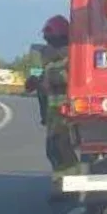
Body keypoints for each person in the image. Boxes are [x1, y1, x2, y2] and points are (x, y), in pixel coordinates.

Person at [36, 15, 79, 202]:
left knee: (63, 148)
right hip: (53, 114)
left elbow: (66, 81)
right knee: (53, 150)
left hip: (66, 113)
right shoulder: (51, 60)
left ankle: (71, 185)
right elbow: (45, 88)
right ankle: (61, 183)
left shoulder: (71, 58)